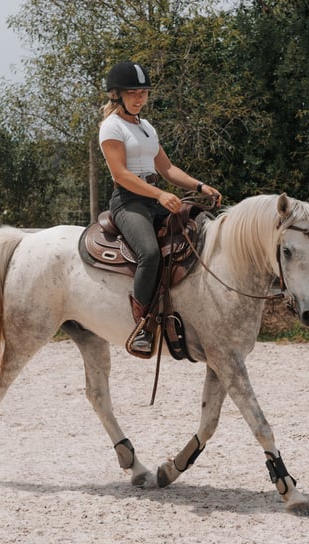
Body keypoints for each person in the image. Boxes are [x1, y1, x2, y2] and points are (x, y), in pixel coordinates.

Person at [98, 61, 222, 355]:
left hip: (154, 198)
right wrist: (160, 194)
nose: (139, 98)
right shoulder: (111, 127)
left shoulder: (146, 127)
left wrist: (200, 187)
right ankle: (142, 327)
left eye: (143, 93)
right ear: (117, 95)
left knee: (196, 235)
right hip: (128, 201)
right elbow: (121, 175)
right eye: (133, 93)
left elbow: (166, 167)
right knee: (150, 253)